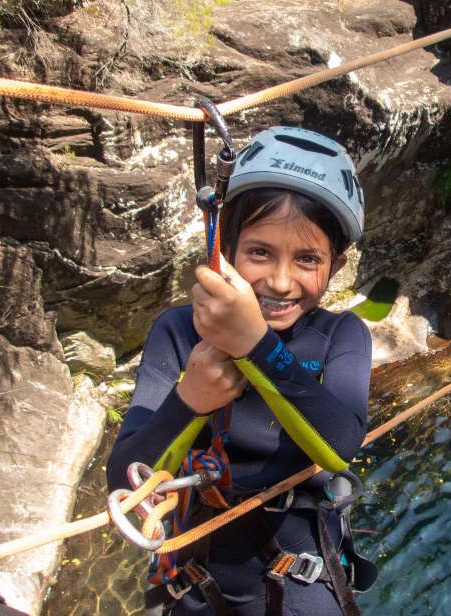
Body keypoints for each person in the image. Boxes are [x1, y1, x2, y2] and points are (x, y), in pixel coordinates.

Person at [107, 126, 375, 615]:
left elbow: (339, 448)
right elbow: (124, 483)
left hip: (299, 572)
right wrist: (189, 399)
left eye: (307, 259)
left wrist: (255, 346)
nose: (279, 281)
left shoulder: (342, 336)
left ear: (334, 267)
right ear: (225, 246)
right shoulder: (178, 331)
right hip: (198, 573)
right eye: (259, 252)